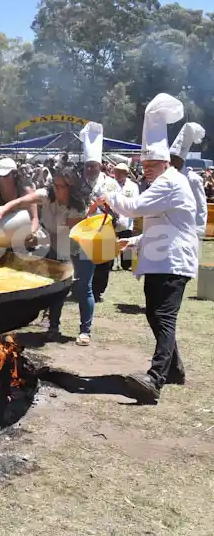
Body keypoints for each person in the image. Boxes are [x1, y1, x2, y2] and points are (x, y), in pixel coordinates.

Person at [92, 93, 195, 402]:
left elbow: (135, 208)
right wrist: (133, 241)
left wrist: (109, 197)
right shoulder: (165, 182)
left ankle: (156, 377)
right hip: (164, 258)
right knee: (156, 313)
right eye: (144, 164)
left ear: (164, 162)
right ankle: (173, 369)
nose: (145, 169)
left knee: (162, 316)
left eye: (150, 164)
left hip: (172, 262)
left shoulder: (170, 182)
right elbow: (162, 224)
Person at [0, 165, 94, 344]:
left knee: (83, 289)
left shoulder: (78, 207)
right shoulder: (46, 194)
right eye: (54, 185)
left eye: (61, 186)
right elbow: (21, 201)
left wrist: (38, 239)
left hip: (81, 248)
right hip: (56, 245)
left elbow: (64, 236)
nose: (56, 190)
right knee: (57, 288)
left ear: (71, 187)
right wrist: (2, 210)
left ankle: (85, 331)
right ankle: (53, 327)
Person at [79, 122, 118, 303]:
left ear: (100, 166)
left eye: (93, 166)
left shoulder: (110, 183)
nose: (90, 170)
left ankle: (97, 291)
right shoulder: (78, 184)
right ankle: (83, 287)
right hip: (85, 228)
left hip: (105, 226)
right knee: (84, 260)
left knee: (103, 262)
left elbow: (118, 204)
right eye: (87, 166)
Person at [0, 157, 39, 234]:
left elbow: (34, 218)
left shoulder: (26, 192)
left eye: (6, 176)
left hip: (24, 234)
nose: (2, 179)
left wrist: (31, 233)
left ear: (14, 174)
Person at [169, 122, 208, 237]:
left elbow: (201, 206)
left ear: (182, 160)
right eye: (170, 158)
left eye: (174, 158)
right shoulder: (167, 176)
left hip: (188, 230)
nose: (171, 161)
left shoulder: (193, 179)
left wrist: (198, 230)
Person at [110, 163, 139, 270]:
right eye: (116, 172)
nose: (117, 174)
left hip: (126, 219)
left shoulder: (133, 186)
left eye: (120, 172)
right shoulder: (109, 184)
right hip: (112, 218)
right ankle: (110, 263)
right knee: (110, 242)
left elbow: (135, 202)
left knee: (126, 241)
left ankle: (126, 264)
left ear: (126, 174)